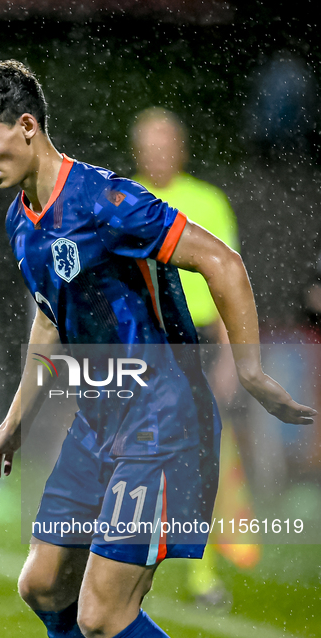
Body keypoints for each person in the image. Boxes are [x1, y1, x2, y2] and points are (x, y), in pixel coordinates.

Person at [0, 61, 314, 638]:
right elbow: (49, 322)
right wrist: (15, 418)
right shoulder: (23, 216)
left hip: (163, 414)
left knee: (104, 613)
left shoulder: (105, 199)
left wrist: (246, 369)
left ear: (26, 127)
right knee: (42, 584)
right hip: (99, 420)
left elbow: (221, 260)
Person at [131, 107, 259, 607]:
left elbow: (231, 281)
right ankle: (122, 560)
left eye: (166, 143)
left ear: (180, 149)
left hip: (199, 339)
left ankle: (202, 572)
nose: (158, 153)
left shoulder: (208, 200)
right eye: (149, 144)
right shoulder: (121, 196)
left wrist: (232, 354)